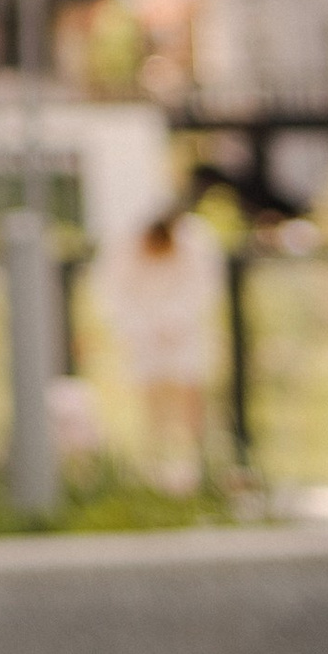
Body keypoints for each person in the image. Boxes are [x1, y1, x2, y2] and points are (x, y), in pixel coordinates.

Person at [104, 205, 222, 494]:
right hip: (143, 331)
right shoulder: (125, 245)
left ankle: (198, 462)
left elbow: (205, 287)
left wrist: (177, 318)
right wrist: (138, 325)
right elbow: (112, 292)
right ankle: (155, 463)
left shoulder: (196, 241)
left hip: (184, 330)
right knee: (151, 393)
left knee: (191, 390)